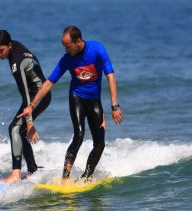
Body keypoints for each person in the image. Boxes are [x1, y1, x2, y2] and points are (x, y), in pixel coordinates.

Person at [19, 25, 123, 184]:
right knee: (79, 136)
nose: (66, 50)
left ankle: (87, 177)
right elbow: (48, 84)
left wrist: (114, 106)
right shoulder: (67, 59)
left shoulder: (97, 50)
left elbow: (111, 78)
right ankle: (64, 179)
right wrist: (32, 105)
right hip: (77, 99)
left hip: (94, 100)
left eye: (68, 46)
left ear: (78, 41)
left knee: (100, 144)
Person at [0, 30, 51, 183]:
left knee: (14, 128)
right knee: (19, 131)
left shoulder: (17, 62)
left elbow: (25, 94)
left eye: (1, 51)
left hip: (38, 96)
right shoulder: (13, 44)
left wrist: (30, 123)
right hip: (38, 94)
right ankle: (33, 170)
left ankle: (15, 175)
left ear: (9, 46)